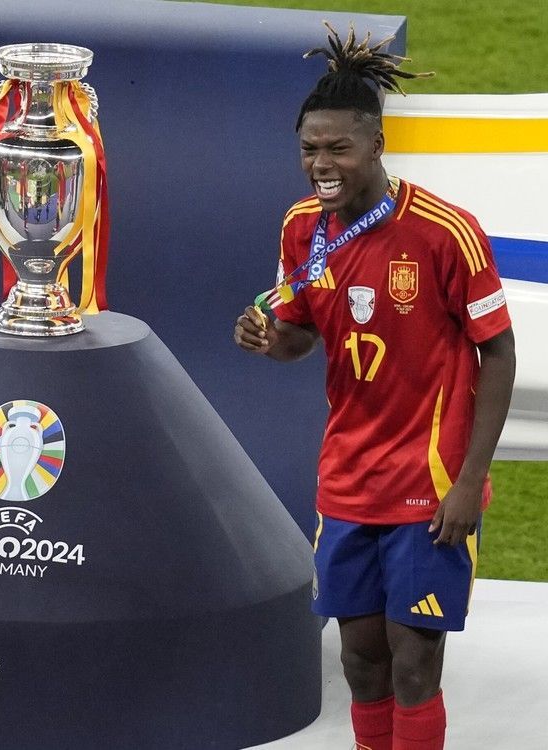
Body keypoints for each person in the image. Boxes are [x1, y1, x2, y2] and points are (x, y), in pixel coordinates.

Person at [234, 25, 515, 750]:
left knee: (415, 661)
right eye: (309, 149)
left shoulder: (446, 233)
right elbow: (300, 334)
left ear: (376, 145)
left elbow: (500, 352)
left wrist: (469, 480)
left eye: (338, 148)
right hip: (349, 482)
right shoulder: (302, 229)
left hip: (430, 483)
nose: (320, 165)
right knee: (362, 662)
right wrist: (271, 340)